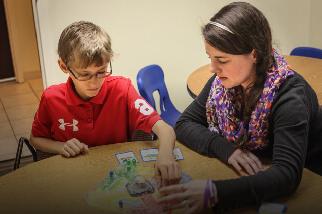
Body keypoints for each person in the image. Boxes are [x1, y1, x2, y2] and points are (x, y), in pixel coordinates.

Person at [157, 1, 322, 213]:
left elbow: (286, 174)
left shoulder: (290, 96)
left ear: (254, 55)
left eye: (222, 60)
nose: (212, 68)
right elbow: (185, 123)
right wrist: (228, 151)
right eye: (210, 58)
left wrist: (215, 192)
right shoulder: (223, 83)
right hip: (260, 176)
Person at [30, 21, 181, 186]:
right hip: (74, 178)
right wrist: (60, 147)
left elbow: (165, 129)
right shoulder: (51, 98)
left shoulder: (122, 88)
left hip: (119, 177)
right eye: (85, 74)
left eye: (101, 71)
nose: (94, 83)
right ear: (63, 66)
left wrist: (166, 154)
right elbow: (36, 138)